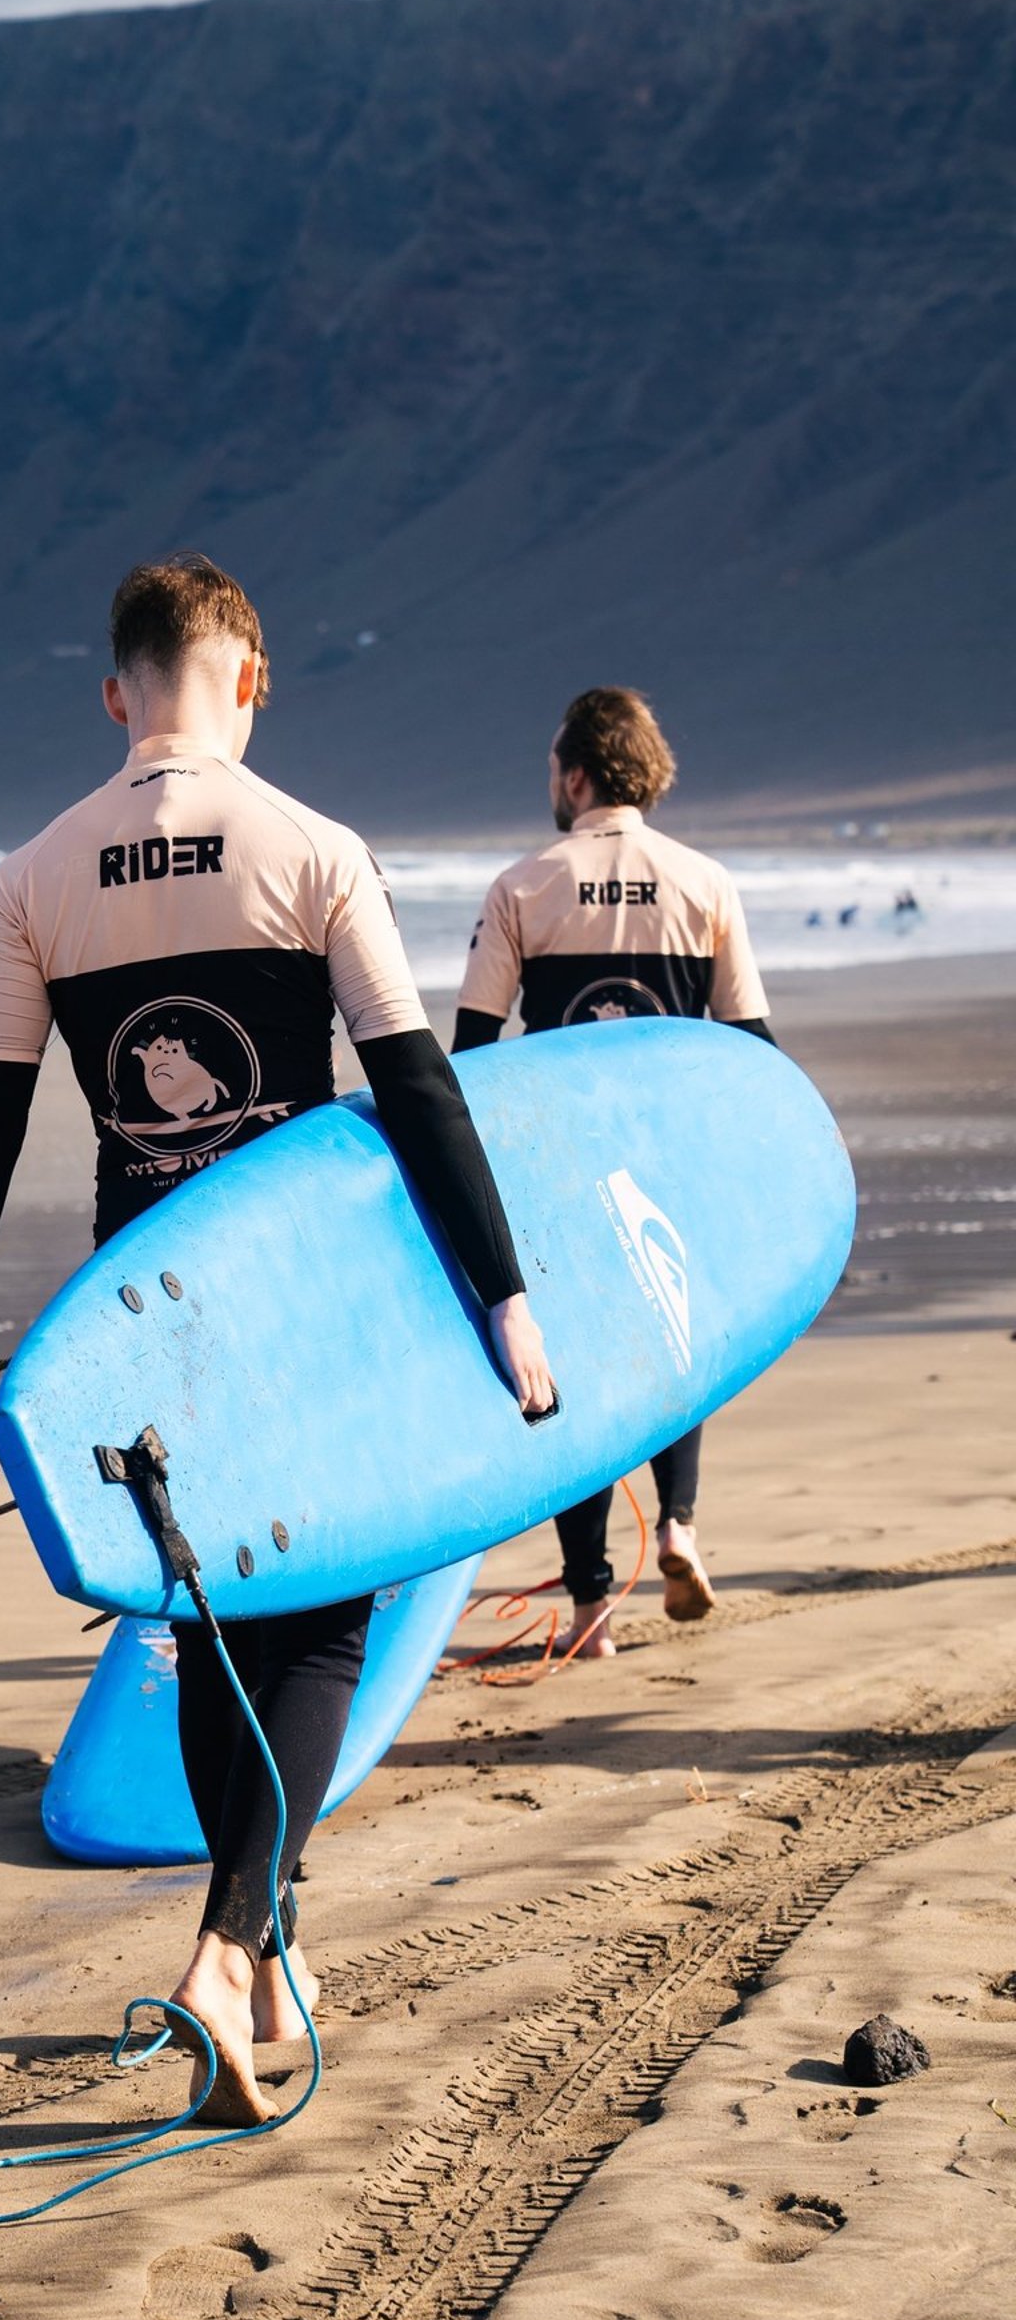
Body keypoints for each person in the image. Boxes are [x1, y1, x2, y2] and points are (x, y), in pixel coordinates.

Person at [0, 555, 554, 2124]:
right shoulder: (314, 848)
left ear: (115, 692)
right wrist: (505, 1297)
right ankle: (224, 1950)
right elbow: (416, 1087)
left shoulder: (35, 875)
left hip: (141, 1305)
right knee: (327, 1624)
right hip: (298, 1296)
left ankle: (269, 1956)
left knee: (213, 1620)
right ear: (253, 682)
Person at [453, 686, 775, 1657]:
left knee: (571, 1376)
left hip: (560, 1173)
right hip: (667, 1161)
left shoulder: (523, 886)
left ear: (580, 772)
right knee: (680, 1348)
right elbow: (753, 1044)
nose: (550, 783)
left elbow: (468, 1053)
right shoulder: (705, 882)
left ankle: (592, 1604)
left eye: (555, 766)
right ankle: (678, 1524)